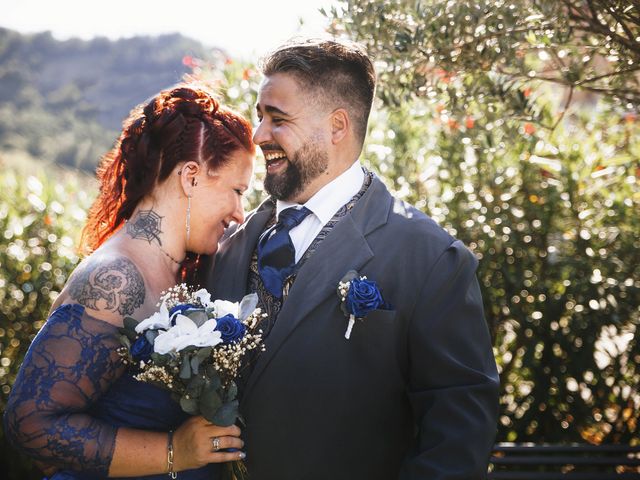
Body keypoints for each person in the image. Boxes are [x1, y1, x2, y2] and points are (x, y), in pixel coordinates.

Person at [203, 39, 500, 479]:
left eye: (278, 119)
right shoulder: (227, 245)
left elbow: (458, 436)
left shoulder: (431, 258)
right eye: (260, 115)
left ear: (337, 126)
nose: (260, 134)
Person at [4, 84, 255, 479]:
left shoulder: (181, 272)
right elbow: (32, 424)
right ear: (190, 177)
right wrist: (174, 452)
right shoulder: (115, 278)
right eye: (236, 190)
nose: (240, 213)